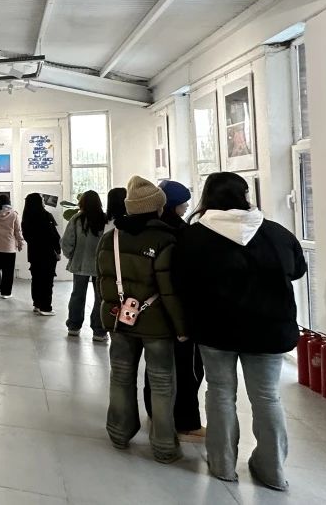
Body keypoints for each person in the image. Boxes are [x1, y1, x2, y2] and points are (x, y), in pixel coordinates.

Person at [175, 173, 306, 491]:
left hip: (215, 328)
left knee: (220, 392)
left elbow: (180, 281)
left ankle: (222, 464)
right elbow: (296, 270)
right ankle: (272, 469)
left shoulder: (195, 236)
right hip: (269, 328)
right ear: (245, 196)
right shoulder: (275, 233)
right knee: (267, 397)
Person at [97, 176, 187, 464]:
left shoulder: (110, 238)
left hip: (120, 320)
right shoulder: (165, 240)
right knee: (161, 382)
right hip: (157, 323)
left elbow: (103, 282)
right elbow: (169, 290)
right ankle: (163, 444)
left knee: (120, 376)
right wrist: (182, 327)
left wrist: (109, 314)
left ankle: (118, 431)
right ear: (158, 208)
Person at [143, 180, 206, 440]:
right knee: (187, 368)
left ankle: (155, 411)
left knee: (156, 365)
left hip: (151, 311)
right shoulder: (183, 233)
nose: (187, 207)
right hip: (180, 311)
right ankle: (185, 422)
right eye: (184, 203)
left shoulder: (146, 231)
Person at [62, 190, 108, 341]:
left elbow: (67, 241)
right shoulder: (105, 219)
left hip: (80, 263)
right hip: (101, 265)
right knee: (100, 297)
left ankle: (73, 326)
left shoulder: (76, 219)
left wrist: (71, 256)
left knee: (77, 295)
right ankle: (99, 331)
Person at [21, 192, 61, 316]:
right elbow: (53, 236)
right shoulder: (46, 216)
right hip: (47, 253)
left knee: (37, 279)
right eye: (42, 199)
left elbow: (27, 237)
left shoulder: (26, 218)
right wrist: (58, 250)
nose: (44, 201)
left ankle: (37, 304)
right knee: (47, 281)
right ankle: (46, 307)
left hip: (34, 253)